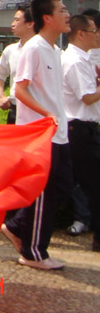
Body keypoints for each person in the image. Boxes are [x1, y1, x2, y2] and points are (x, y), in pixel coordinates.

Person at [2, 0, 72, 270]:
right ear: (48, 18)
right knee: (45, 192)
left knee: (62, 187)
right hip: (40, 134)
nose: (67, 15)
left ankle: (18, 226)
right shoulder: (34, 48)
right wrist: (47, 114)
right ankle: (32, 253)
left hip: (59, 132)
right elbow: (20, 89)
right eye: (62, 10)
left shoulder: (54, 50)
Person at [61, 14, 100, 253]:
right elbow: (86, 98)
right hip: (79, 128)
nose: (97, 34)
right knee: (90, 183)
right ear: (81, 34)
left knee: (84, 182)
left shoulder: (82, 59)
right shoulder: (75, 61)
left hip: (82, 128)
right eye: (94, 30)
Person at [0, 4, 35, 124]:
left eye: (17, 20)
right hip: (15, 110)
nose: (12, 24)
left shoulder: (51, 51)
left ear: (30, 24)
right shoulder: (11, 50)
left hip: (39, 113)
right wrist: (0, 95)